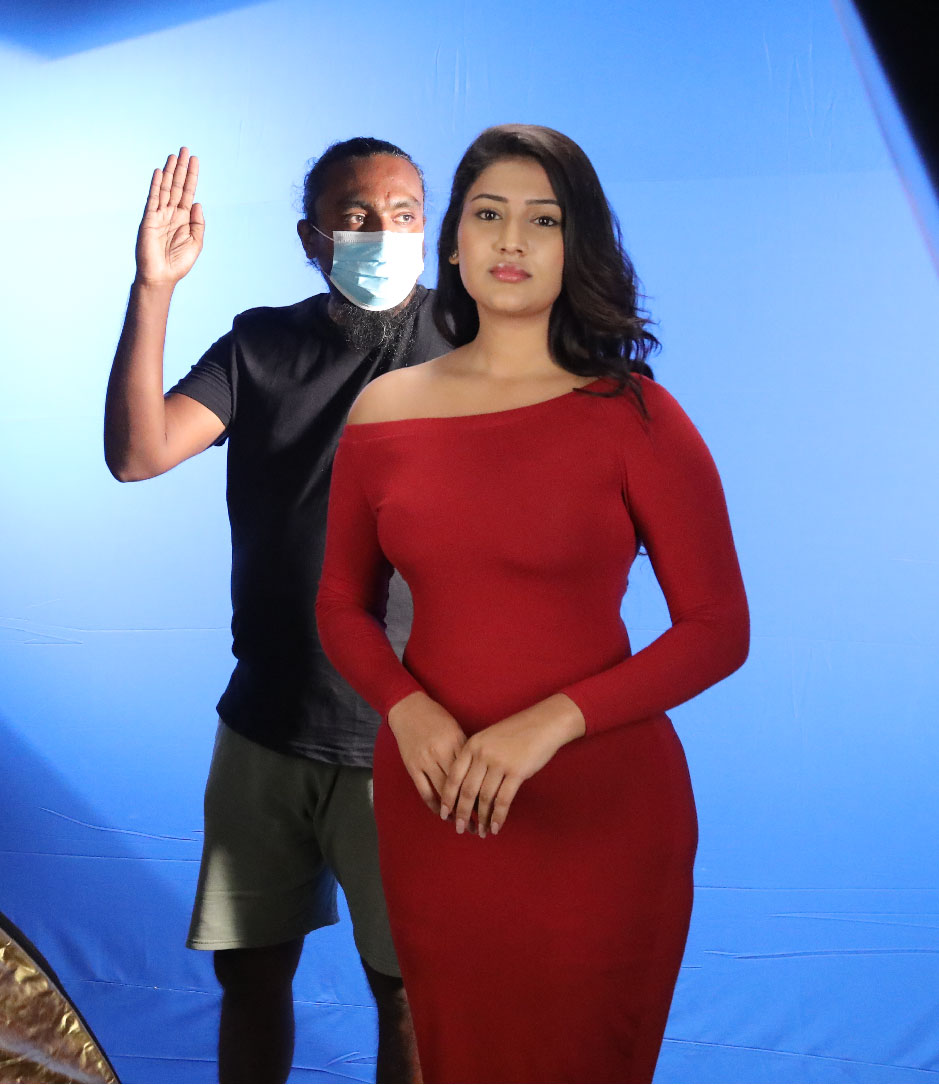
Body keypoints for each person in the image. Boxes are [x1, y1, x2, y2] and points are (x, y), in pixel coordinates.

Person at [315, 124, 750, 1083]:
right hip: (437, 804)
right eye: (488, 215)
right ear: (454, 244)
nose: (511, 240)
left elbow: (719, 629)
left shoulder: (636, 415)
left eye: (542, 220)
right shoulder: (384, 412)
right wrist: (407, 707)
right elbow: (341, 603)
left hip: (600, 816)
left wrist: (549, 722)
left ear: (573, 245)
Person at [104, 138, 450, 1083]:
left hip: (409, 736)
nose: (383, 234)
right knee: (251, 974)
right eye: (356, 217)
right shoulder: (260, 344)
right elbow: (138, 451)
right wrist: (153, 288)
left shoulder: (474, 342)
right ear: (311, 237)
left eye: (405, 214)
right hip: (266, 722)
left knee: (410, 991)